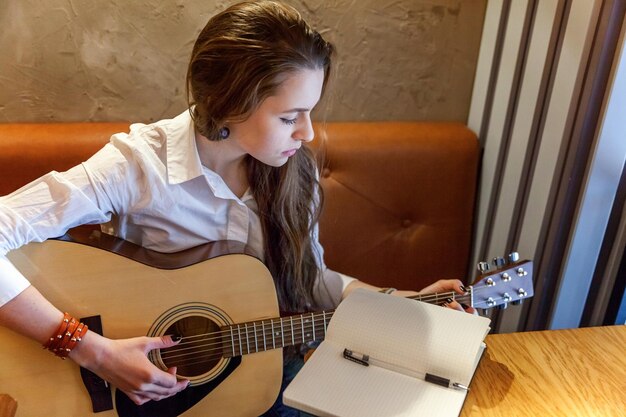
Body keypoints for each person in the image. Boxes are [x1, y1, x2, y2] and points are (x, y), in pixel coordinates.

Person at [0, 1, 474, 415]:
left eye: (309, 112)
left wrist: (402, 305)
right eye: (290, 117)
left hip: (258, 380)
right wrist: (94, 352)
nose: (307, 133)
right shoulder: (138, 166)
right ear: (229, 101)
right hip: (143, 398)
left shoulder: (293, 171)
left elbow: (309, 281)